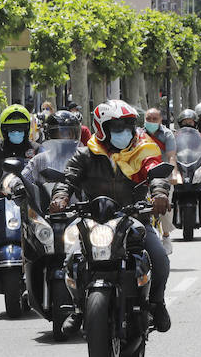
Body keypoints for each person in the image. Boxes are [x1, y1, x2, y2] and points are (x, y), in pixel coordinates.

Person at [48, 100, 173, 333]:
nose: (124, 132)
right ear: (101, 129)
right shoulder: (86, 154)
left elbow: (156, 172)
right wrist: (60, 197)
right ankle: (77, 308)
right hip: (95, 220)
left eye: (127, 126)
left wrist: (159, 193)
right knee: (70, 258)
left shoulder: (143, 149)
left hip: (134, 217)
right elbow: (68, 179)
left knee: (159, 258)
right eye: (117, 127)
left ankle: (157, 304)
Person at [0, 105, 37, 175]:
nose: (16, 132)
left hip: (29, 185)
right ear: (4, 130)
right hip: (0, 184)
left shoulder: (36, 148)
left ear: (27, 129)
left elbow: (48, 164)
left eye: (20, 128)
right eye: (12, 129)